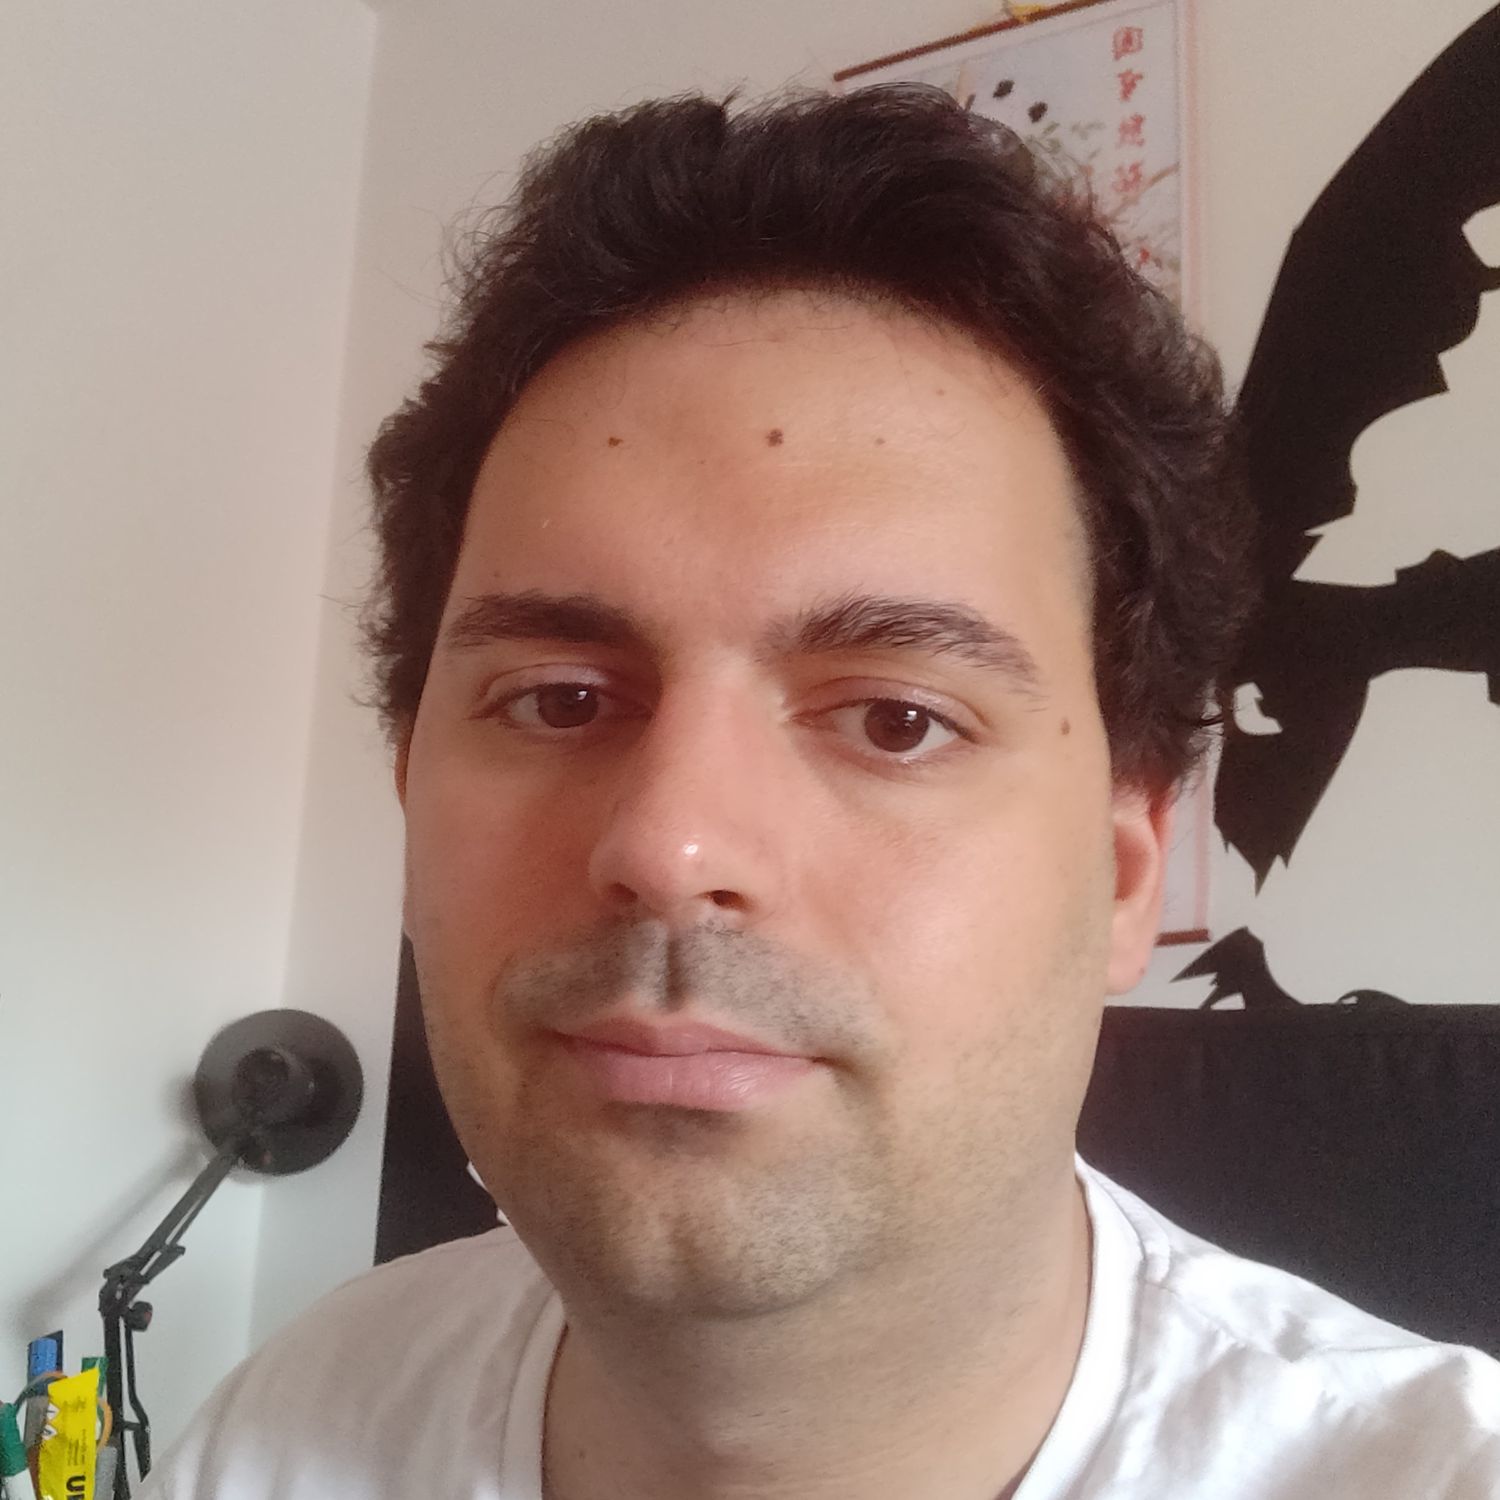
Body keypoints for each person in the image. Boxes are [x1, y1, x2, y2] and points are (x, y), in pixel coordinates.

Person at [141, 87, 1500, 1499]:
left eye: (898, 720)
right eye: (560, 700)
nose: (669, 843)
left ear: (1121, 873)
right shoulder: (283, 1432)